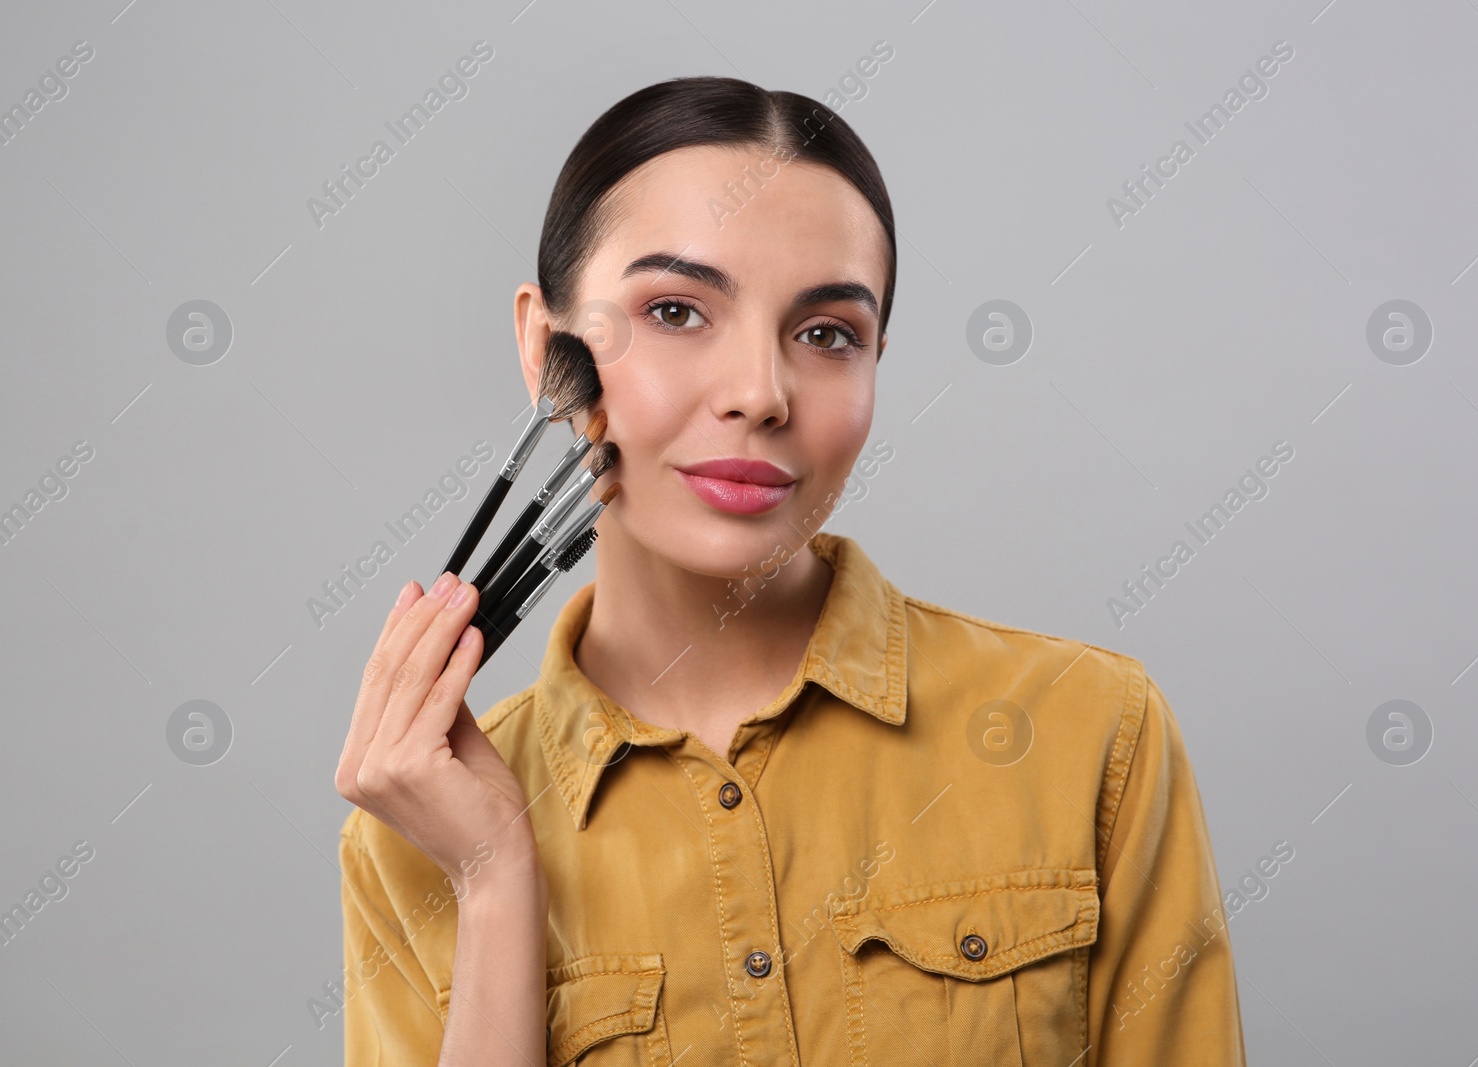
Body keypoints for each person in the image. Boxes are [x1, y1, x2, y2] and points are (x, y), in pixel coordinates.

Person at [335, 75, 1247, 1066]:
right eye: (677, 310)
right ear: (546, 344)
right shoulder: (414, 833)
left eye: (826, 334)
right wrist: (495, 877)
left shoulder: (1089, 729)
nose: (759, 393)